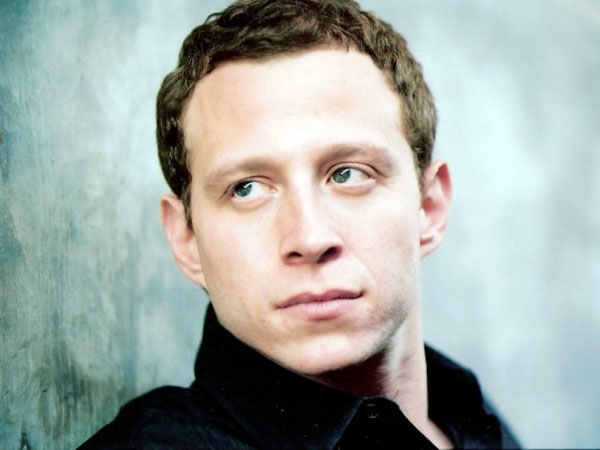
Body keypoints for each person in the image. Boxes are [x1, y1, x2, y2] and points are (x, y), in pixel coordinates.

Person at [81, 0, 519, 448]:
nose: (309, 238)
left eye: (347, 174)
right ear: (186, 239)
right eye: (247, 188)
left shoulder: (474, 419)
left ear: (430, 206)